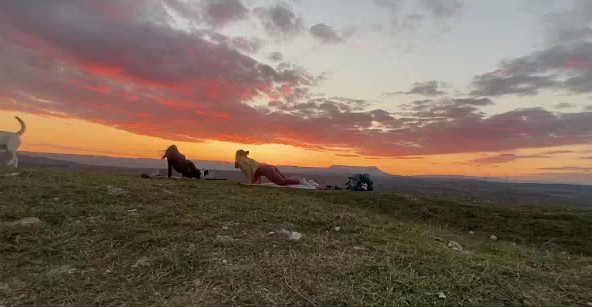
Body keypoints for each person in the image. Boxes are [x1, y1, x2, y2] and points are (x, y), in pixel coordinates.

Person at [234, 149, 317, 187]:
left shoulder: (240, 160)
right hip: (271, 167)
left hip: (267, 169)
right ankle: (309, 182)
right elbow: (256, 172)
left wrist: (248, 184)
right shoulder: (248, 159)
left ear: (237, 155)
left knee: (281, 182)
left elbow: (248, 171)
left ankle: (300, 181)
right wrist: (255, 183)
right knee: (286, 180)